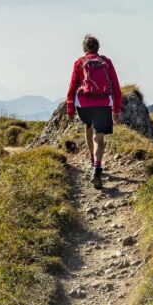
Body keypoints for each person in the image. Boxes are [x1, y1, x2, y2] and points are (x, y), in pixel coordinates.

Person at [66, 34, 123, 189]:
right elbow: (116, 87)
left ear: (84, 48)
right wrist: (116, 110)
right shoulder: (106, 62)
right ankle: (97, 167)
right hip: (103, 103)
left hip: (83, 104)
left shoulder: (79, 62)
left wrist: (70, 107)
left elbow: (72, 86)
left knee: (88, 127)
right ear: (98, 48)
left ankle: (92, 159)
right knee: (99, 137)